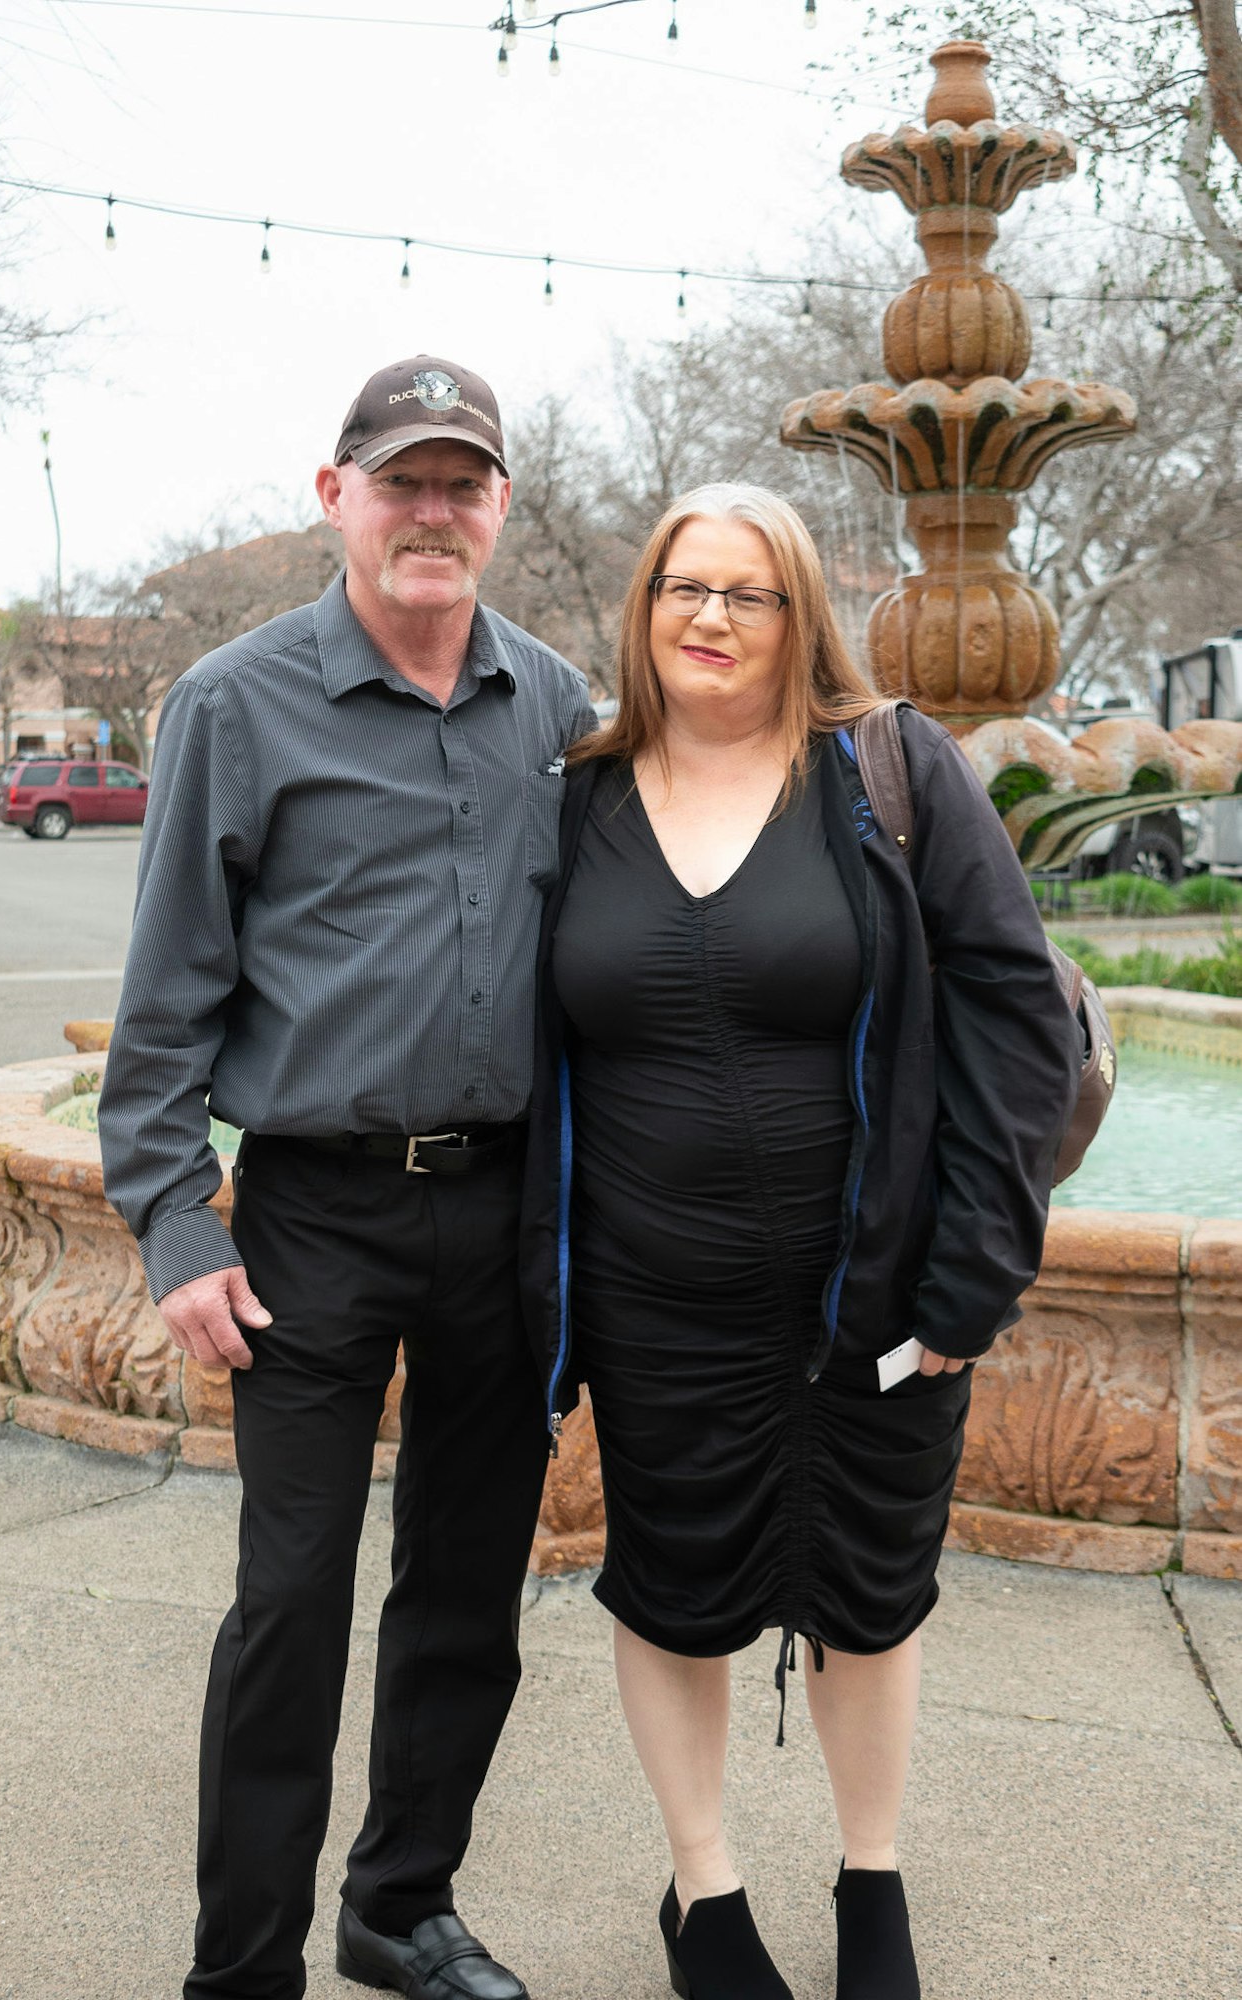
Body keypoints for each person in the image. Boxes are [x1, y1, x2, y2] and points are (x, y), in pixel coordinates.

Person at [520, 484, 1081, 2000]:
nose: (707, 618)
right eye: (679, 589)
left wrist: (974, 1274)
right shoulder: (576, 797)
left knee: (872, 1584)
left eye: (746, 593)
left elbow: (1018, 1022)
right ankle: (702, 1890)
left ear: (799, 619)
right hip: (652, 1297)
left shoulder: (889, 772)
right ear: (642, 613)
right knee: (670, 1583)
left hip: (872, 1292)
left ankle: (870, 1879)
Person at [99, 356, 596, 2000]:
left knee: (466, 1590)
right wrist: (177, 1223)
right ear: (338, 497)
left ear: (502, 509)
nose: (433, 511)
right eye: (404, 481)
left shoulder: (561, 710)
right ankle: (242, 1966)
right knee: (290, 1605)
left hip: (508, 1213)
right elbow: (167, 997)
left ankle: (401, 1905)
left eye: (465, 484)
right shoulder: (237, 706)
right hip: (314, 1216)